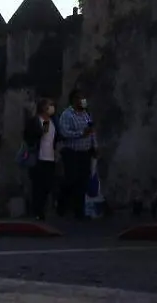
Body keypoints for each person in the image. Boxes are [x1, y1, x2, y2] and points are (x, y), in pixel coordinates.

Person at [57, 90, 97, 220]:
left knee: (83, 181)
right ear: (74, 100)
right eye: (81, 98)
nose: (83, 101)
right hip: (71, 152)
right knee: (71, 179)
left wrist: (94, 146)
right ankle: (61, 203)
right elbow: (64, 132)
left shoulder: (86, 114)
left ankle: (79, 212)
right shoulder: (67, 115)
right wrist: (81, 134)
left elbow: (91, 132)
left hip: (85, 152)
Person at [23, 98, 57, 221]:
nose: (52, 108)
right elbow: (29, 136)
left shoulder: (53, 122)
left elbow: (53, 138)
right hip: (39, 158)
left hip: (50, 158)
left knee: (48, 185)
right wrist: (39, 133)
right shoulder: (35, 121)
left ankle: (42, 208)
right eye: (49, 105)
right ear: (43, 108)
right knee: (38, 186)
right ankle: (37, 212)